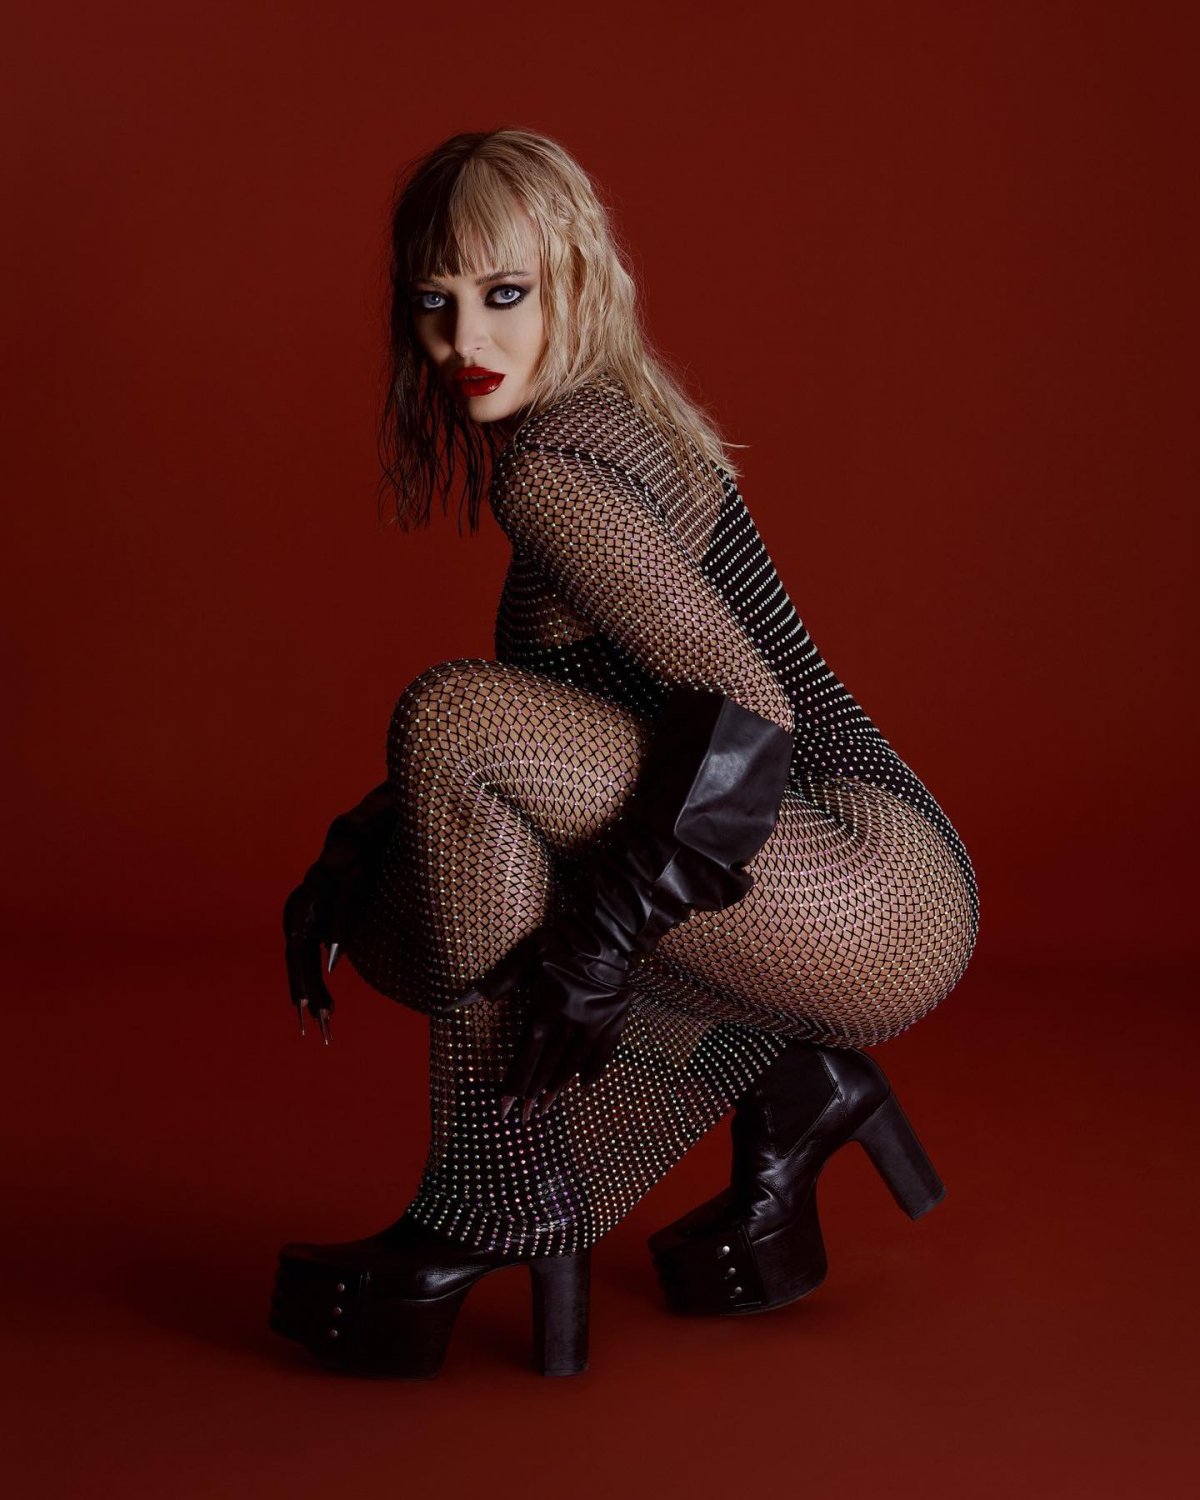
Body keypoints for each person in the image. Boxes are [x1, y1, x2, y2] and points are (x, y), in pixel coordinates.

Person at [270, 127, 979, 1380]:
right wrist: (366, 840)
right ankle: (788, 1080)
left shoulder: (555, 467)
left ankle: (494, 1193)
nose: (464, 341)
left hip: (865, 883)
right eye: (435, 304)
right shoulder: (609, 418)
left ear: (575, 277)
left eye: (504, 295)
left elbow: (747, 709)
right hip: (861, 869)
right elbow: (589, 731)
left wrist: (599, 943)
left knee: (452, 722)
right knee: (408, 886)